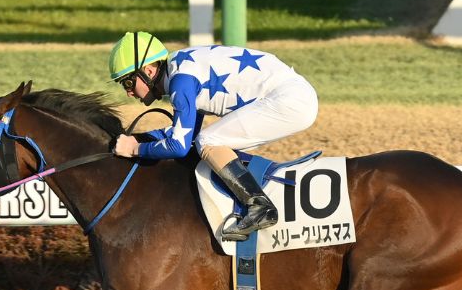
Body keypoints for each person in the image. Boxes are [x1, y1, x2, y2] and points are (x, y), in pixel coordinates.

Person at [107, 31, 319, 242]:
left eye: (128, 83)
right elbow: (184, 134)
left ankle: (259, 206)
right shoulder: (181, 68)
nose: (129, 93)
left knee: (208, 141)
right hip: (293, 95)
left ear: (149, 71)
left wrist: (134, 149)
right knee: (206, 140)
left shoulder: (181, 81)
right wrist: (137, 139)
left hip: (290, 100)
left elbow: (179, 146)